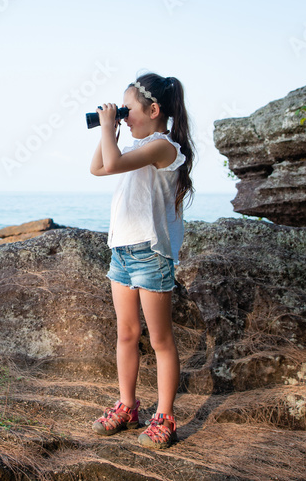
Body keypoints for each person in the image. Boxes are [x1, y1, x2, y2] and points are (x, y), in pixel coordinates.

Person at [88, 73, 195, 449]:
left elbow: (113, 165)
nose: (122, 115)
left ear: (154, 110)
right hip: (122, 252)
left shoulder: (163, 146)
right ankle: (128, 406)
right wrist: (110, 133)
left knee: (161, 340)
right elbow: (99, 167)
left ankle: (165, 416)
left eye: (127, 110)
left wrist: (106, 129)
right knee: (127, 334)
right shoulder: (139, 144)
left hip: (151, 253)